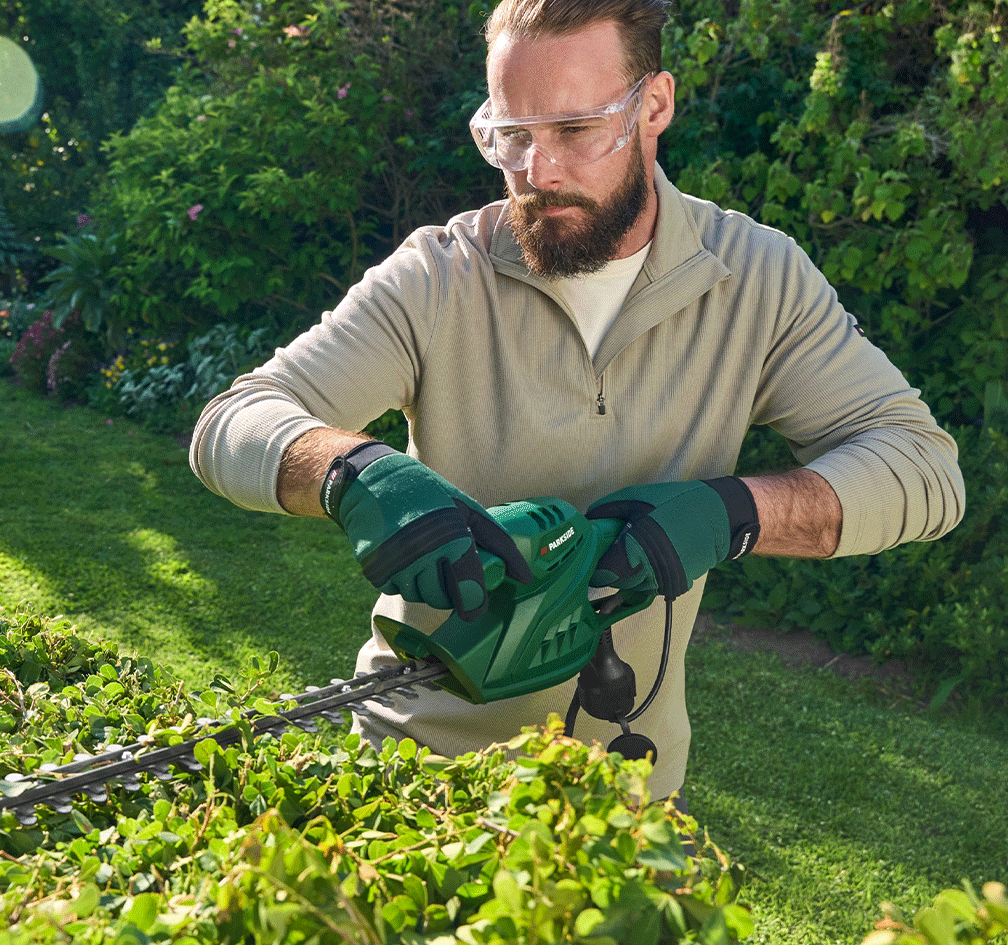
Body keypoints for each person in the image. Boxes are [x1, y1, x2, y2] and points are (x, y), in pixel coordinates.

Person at [190, 0, 964, 802]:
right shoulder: (439, 277)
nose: (538, 170)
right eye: (511, 134)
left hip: (626, 792)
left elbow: (923, 469)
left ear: (654, 105)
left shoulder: (757, 279)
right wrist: (352, 473)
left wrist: (728, 514)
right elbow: (232, 422)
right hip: (415, 777)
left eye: (575, 129)